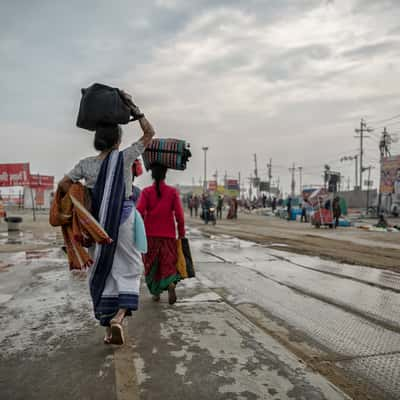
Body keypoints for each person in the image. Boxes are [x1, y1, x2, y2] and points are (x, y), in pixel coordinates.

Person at [58, 94, 155, 346]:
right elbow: (149, 134)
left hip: (96, 225)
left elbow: (63, 184)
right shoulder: (124, 158)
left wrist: (78, 205)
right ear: (118, 140)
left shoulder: (85, 164)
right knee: (130, 267)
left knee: (105, 270)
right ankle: (119, 317)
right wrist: (136, 111)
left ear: (97, 141)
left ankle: (107, 323)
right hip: (123, 221)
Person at [137, 163, 185, 305]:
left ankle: (156, 293)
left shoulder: (146, 192)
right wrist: (181, 234)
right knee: (168, 263)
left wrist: (136, 233)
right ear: (165, 175)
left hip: (150, 236)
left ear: (152, 175)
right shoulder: (172, 192)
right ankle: (170, 284)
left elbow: (138, 212)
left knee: (151, 265)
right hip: (168, 236)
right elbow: (180, 216)